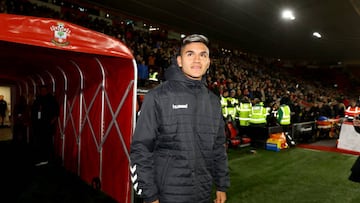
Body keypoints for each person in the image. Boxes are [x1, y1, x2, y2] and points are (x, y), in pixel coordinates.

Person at [130, 34, 229, 203]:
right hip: (167, 195)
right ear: (179, 61)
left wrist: (221, 185)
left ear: (208, 63)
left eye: (203, 55)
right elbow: (141, 149)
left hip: (203, 193)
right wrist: (149, 195)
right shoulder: (158, 96)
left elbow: (218, 147)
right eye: (190, 54)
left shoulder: (213, 101)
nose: (197, 59)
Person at [30, 85, 60, 166]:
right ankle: (42, 158)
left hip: (47, 125)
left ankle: (47, 159)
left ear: (47, 91)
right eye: (41, 90)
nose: (43, 92)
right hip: (39, 125)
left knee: (47, 142)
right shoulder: (38, 99)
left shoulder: (51, 99)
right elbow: (33, 110)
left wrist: (52, 121)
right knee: (40, 142)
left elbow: (57, 111)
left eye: (44, 90)